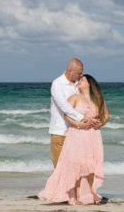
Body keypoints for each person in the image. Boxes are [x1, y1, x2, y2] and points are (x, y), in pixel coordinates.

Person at [38, 74, 109, 205]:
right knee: (78, 165)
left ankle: (90, 194)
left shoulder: (99, 99)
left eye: (82, 80)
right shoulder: (74, 98)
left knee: (91, 166)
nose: (78, 82)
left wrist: (101, 123)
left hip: (93, 135)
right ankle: (77, 196)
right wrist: (79, 124)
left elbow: (106, 115)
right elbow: (67, 115)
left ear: (90, 84)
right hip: (77, 134)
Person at [48, 58, 94, 167]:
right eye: (79, 73)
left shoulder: (80, 83)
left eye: (81, 72)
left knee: (74, 170)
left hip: (77, 134)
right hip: (60, 132)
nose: (81, 75)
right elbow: (64, 106)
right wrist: (81, 118)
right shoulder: (57, 84)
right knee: (59, 169)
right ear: (70, 71)